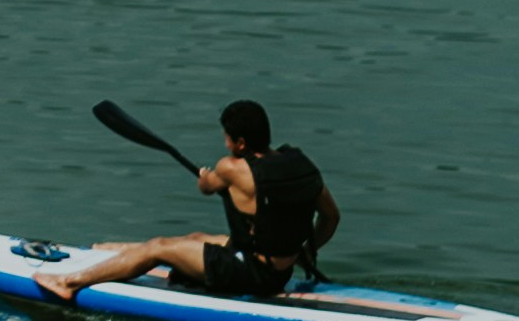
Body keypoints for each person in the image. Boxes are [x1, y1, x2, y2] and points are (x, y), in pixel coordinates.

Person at [35, 102, 337, 306]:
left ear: (241, 143)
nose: (226, 144)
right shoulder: (300, 164)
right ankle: (113, 251)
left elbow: (207, 187)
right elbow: (331, 217)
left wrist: (207, 176)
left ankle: (69, 282)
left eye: (228, 139)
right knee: (194, 239)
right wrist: (305, 252)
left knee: (160, 247)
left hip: (253, 275)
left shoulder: (232, 167)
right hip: (275, 268)